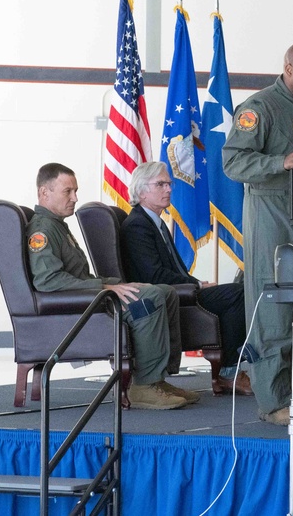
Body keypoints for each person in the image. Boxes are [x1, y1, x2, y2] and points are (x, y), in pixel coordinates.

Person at [222, 41, 293, 425]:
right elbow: (233, 161)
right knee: (273, 314)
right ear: (289, 68)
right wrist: (279, 162)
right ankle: (272, 402)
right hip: (272, 221)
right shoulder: (259, 109)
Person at [25, 162, 198, 410]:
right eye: (68, 192)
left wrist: (111, 284)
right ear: (44, 193)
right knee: (149, 299)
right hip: (80, 307)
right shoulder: (42, 231)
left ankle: (158, 378)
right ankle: (143, 386)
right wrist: (104, 288)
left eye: (76, 191)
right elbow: (48, 281)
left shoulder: (57, 226)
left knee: (165, 291)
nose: (75, 198)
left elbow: (73, 276)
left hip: (88, 298)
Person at [119, 161, 253, 396]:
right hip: (161, 298)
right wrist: (198, 285)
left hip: (177, 291)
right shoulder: (137, 225)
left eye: (169, 183)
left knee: (238, 290)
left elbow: (173, 270)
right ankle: (228, 373)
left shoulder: (155, 221)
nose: (169, 189)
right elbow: (154, 275)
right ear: (141, 191)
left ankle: (229, 370)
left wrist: (197, 282)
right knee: (237, 294)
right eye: (161, 184)